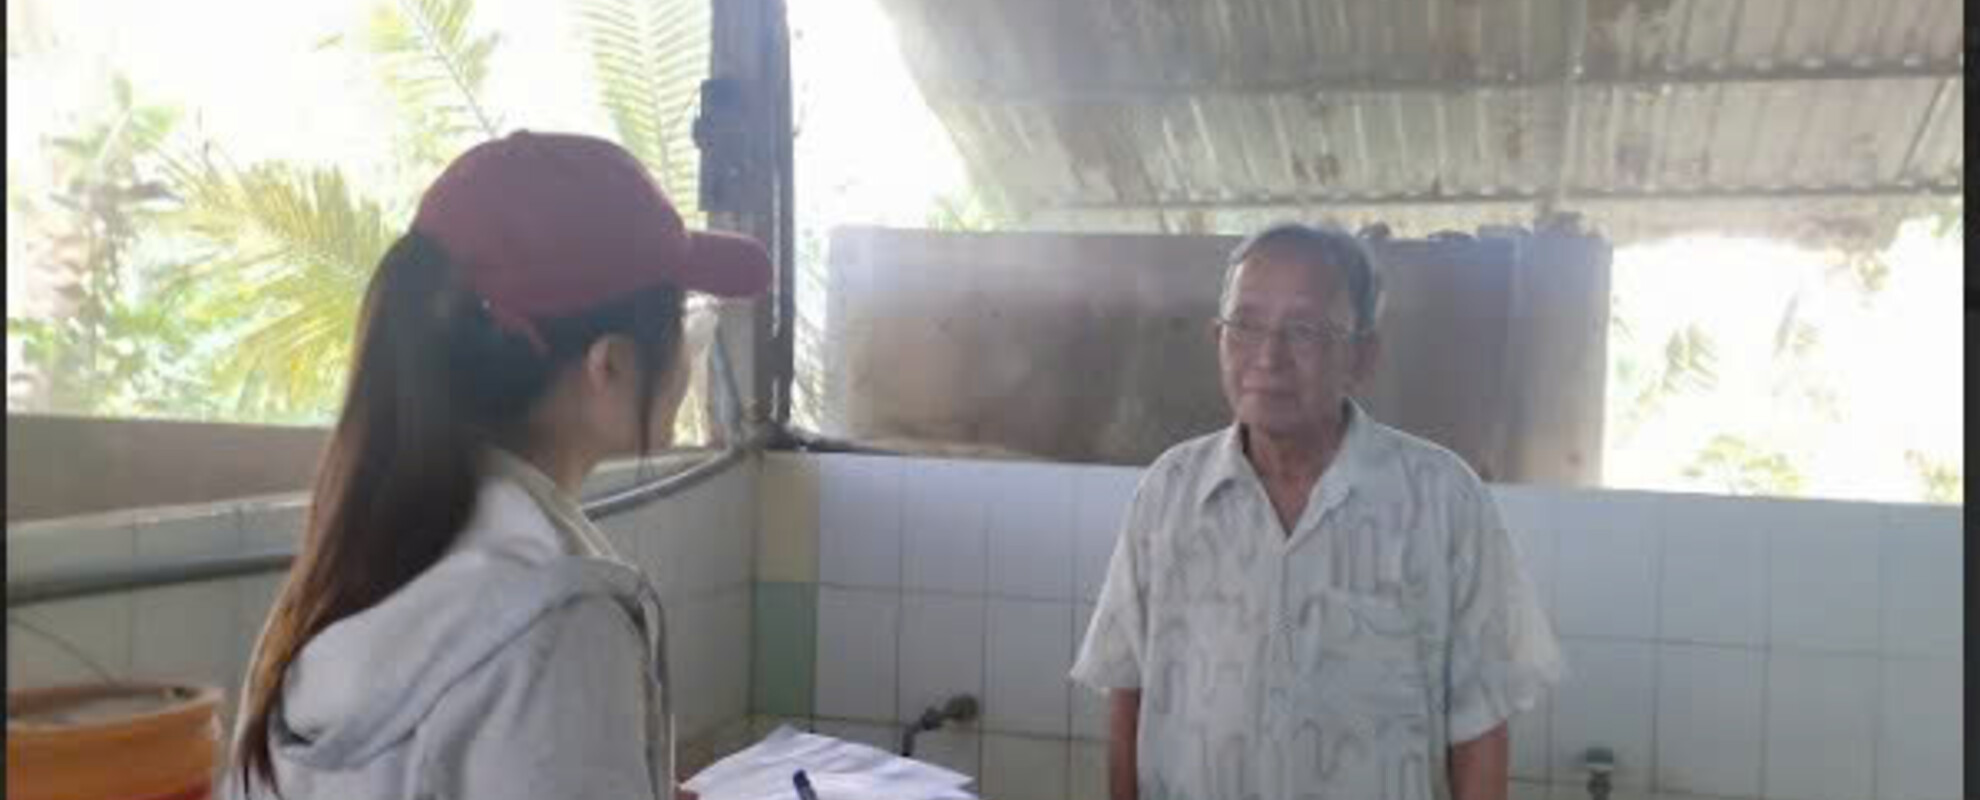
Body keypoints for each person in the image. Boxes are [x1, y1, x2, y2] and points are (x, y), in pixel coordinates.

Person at [225, 131, 770, 800]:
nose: (690, 357)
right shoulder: (558, 622)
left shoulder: (352, 572)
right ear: (611, 365)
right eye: (686, 325)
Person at [1070, 223, 1563, 800]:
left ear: (1363, 355)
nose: (1268, 357)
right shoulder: (1169, 492)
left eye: (1304, 329)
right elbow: (1128, 688)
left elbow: (1481, 723)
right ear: (1217, 338)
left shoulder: (1443, 499)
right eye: (1246, 325)